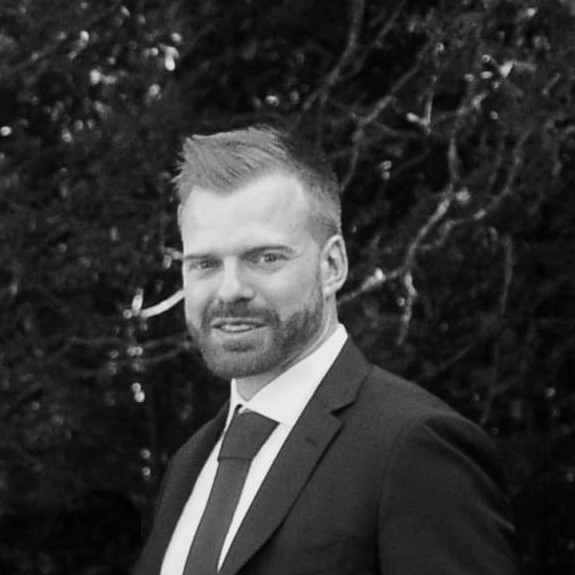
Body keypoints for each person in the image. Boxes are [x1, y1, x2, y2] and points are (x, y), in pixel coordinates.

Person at [134, 124, 518, 575]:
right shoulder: (188, 465)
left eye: (265, 257)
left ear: (332, 265)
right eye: (205, 264)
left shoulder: (413, 446)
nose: (231, 289)